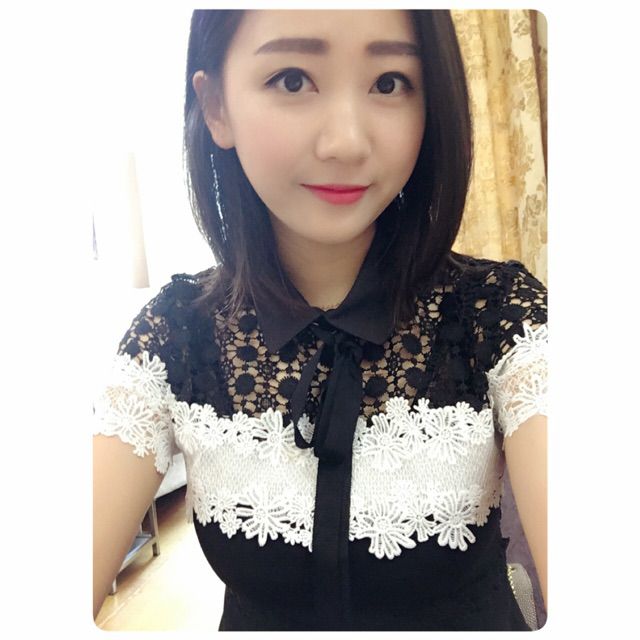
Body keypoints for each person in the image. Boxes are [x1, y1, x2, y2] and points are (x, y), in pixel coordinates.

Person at [92, 9, 547, 631]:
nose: (346, 142)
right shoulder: (176, 334)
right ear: (217, 106)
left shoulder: (499, 314)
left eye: (389, 82)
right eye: (292, 79)